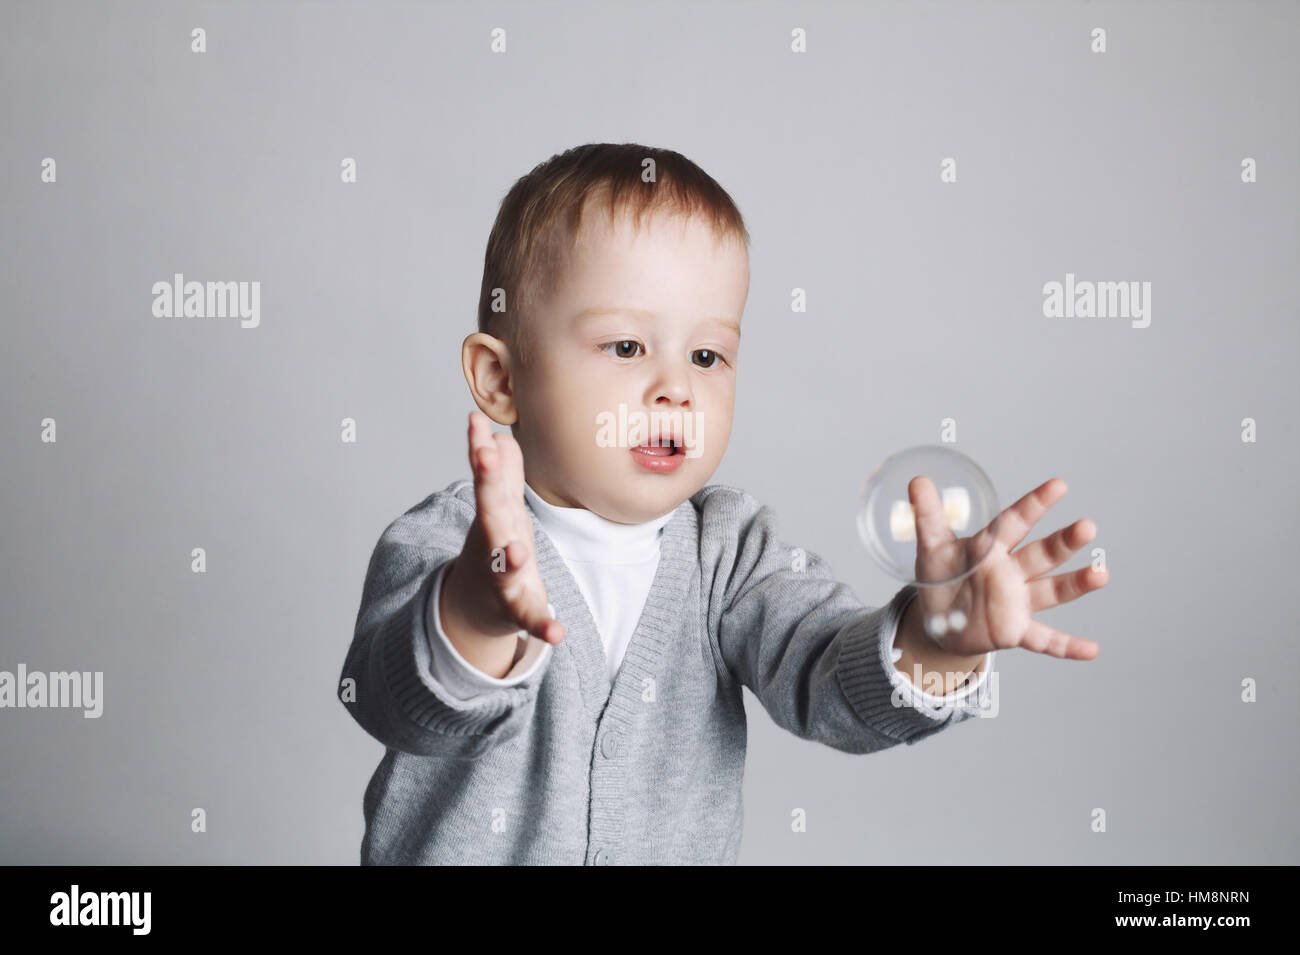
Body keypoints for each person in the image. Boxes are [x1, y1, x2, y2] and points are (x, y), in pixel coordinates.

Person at [339, 142, 1108, 864]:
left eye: (707, 355)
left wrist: (942, 639)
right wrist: (475, 608)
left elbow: (826, 676)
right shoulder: (440, 539)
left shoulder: (731, 552)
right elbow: (393, 705)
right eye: (627, 346)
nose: (675, 386)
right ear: (501, 379)